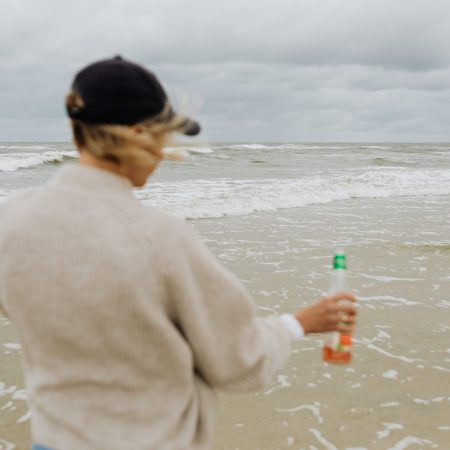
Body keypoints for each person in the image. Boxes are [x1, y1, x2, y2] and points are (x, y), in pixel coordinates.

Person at [0, 56, 357, 450]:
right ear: (137, 134)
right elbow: (238, 363)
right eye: (163, 136)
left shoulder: (10, 221)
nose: (163, 152)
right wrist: (299, 323)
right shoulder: (159, 238)